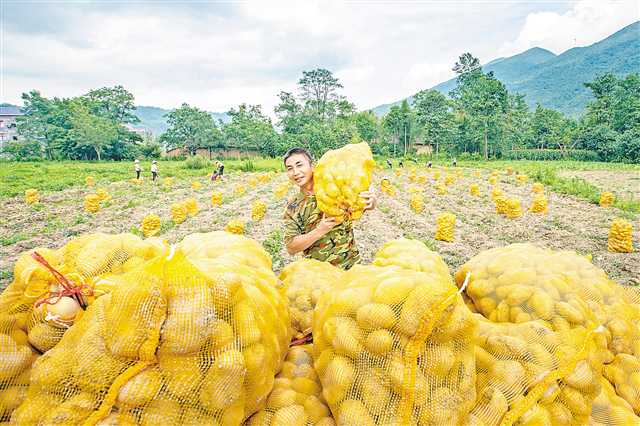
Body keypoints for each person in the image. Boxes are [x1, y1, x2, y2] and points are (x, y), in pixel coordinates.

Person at [282, 147, 377, 270]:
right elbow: (291, 247)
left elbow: (359, 207)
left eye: (299, 165)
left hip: (351, 266)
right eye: (290, 168)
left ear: (312, 166)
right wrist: (320, 230)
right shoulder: (293, 206)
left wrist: (372, 203)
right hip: (319, 274)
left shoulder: (337, 187)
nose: (295, 172)